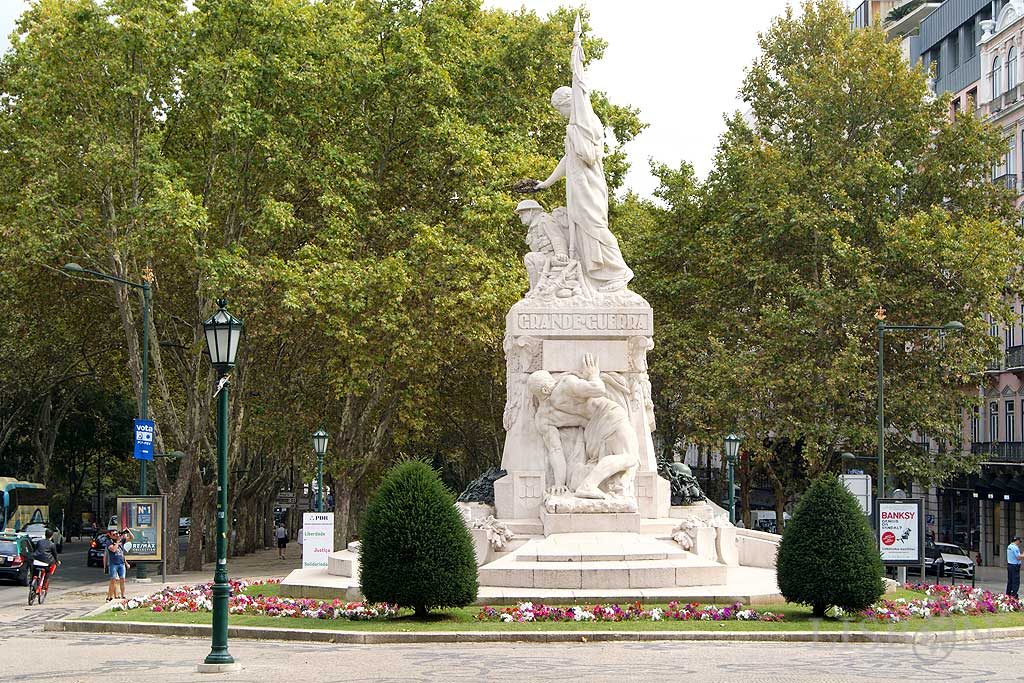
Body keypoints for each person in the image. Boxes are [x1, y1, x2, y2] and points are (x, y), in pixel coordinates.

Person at [103, 527, 134, 601]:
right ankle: (110, 596)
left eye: (117, 534)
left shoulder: (121, 540)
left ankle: (123, 595)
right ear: (110, 535)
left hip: (121, 563)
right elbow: (113, 550)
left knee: (122, 579)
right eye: (114, 534)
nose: (116, 535)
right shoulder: (109, 542)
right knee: (113, 580)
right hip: (113, 564)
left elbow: (132, 538)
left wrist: (128, 531)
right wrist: (117, 541)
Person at [30, 529, 60, 594]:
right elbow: (55, 554)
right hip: (46, 563)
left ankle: (33, 581)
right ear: (52, 536)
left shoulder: (39, 542)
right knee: (47, 572)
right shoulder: (52, 544)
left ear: (45, 534)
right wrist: (57, 561)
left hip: (36, 561)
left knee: (35, 571)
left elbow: (36, 550)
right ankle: (43, 587)